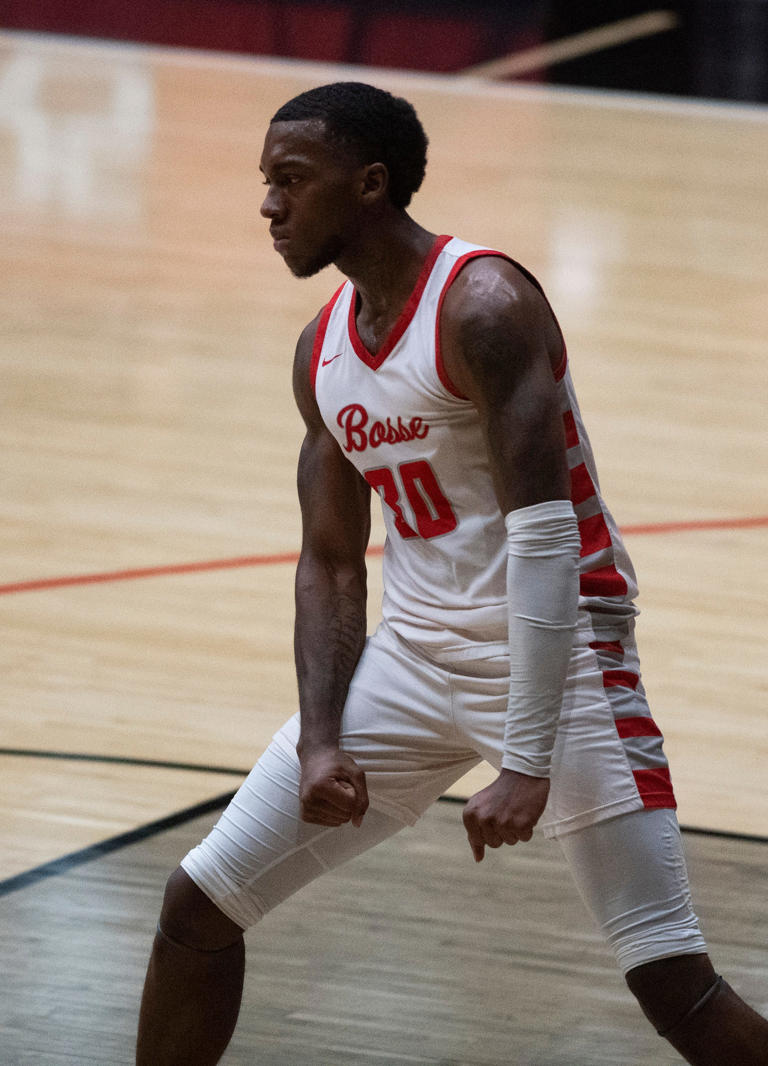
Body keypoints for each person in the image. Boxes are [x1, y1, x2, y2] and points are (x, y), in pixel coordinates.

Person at [136, 82, 768, 1065]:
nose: (269, 205)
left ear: (371, 185)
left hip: (561, 669)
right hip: (417, 661)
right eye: (267, 182)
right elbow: (332, 561)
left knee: (672, 983)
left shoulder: (485, 306)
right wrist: (319, 738)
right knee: (198, 904)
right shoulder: (323, 352)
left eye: (291, 181)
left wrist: (525, 758)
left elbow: (547, 538)